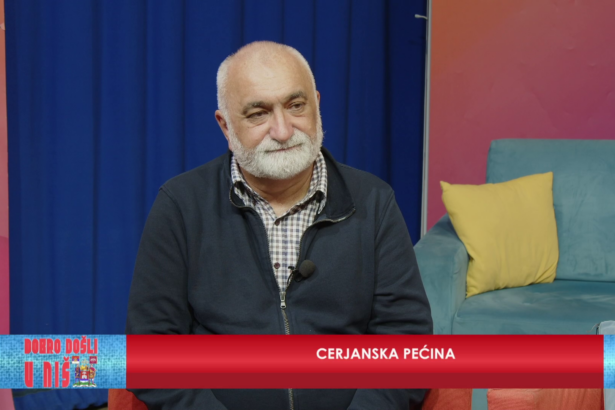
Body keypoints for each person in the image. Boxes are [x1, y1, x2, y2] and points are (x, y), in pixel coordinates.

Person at [126, 41, 432, 410]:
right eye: (258, 114)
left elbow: (407, 342)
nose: (283, 130)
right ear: (226, 126)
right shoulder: (181, 205)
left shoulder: (374, 201)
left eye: (296, 105)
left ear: (317, 105)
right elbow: (150, 348)